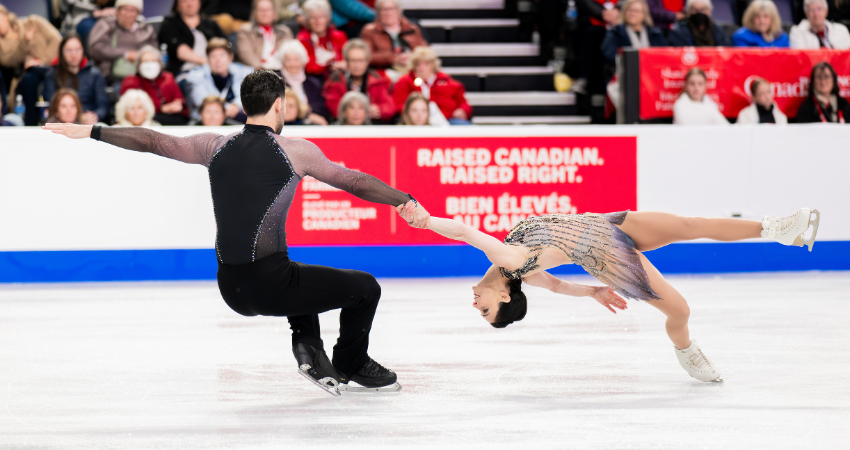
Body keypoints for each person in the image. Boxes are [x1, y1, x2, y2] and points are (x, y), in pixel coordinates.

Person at [44, 70, 423, 396]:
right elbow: (353, 181)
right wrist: (403, 200)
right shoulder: (295, 151)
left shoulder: (214, 146)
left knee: (299, 276)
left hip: (231, 288)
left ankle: (309, 347)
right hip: (272, 287)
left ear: (245, 106)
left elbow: (153, 141)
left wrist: (94, 130)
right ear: (280, 105)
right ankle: (351, 362)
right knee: (366, 288)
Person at [396, 202, 820, 382]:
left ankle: (776, 230)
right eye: (485, 312)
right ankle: (687, 351)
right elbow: (467, 233)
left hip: (607, 223)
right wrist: (427, 221)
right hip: (608, 257)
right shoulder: (510, 263)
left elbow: (558, 285)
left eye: (481, 310)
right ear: (504, 299)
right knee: (680, 309)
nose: (477, 305)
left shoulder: (518, 272)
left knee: (691, 225)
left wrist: (590, 295)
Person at [0, 4, 62, 126]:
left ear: (6, 15)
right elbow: (9, 60)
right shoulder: (1, 44)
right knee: (28, 80)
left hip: (52, 66)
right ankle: (31, 125)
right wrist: (25, 42)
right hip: (28, 74)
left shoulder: (33, 22)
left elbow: (57, 40)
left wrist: (43, 62)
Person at [392, 46, 472, 125]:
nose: (422, 68)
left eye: (426, 64)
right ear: (414, 65)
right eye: (418, 64)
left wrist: (462, 110)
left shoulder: (446, 81)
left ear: (433, 65)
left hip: (447, 120)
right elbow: (399, 105)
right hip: (417, 121)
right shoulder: (405, 82)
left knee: (463, 126)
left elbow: (463, 102)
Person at [323, 39, 395, 123]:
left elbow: (390, 107)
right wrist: (361, 112)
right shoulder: (335, 81)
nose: (357, 65)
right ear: (346, 61)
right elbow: (334, 109)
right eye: (353, 60)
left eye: (361, 60)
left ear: (367, 61)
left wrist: (379, 110)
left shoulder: (378, 81)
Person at [44, 34, 110, 126]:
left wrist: (93, 116)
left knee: (102, 126)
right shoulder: (52, 75)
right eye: (69, 50)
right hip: (62, 123)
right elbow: (52, 105)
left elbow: (103, 107)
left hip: (88, 123)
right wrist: (76, 118)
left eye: (77, 49)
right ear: (61, 52)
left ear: (83, 50)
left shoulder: (94, 74)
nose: (74, 54)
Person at [184, 38, 253, 122]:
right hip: (206, 120)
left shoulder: (244, 73)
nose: (218, 60)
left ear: (230, 57)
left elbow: (249, 97)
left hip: (235, 116)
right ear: (208, 59)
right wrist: (227, 109)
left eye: (222, 55)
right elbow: (201, 102)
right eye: (213, 56)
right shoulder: (196, 76)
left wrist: (236, 105)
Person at [86, 0, 158, 80]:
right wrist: (125, 54)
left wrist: (139, 56)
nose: (128, 14)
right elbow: (95, 49)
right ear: (117, 10)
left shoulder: (146, 30)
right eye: (124, 9)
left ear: (138, 13)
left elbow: (155, 53)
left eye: (132, 10)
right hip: (111, 75)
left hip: (143, 75)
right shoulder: (106, 25)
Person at [120, 45, 190, 125]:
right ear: (138, 66)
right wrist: (162, 108)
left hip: (170, 119)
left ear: (160, 65)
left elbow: (180, 101)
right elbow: (130, 107)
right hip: (143, 121)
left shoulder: (168, 78)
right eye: (145, 61)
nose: (150, 65)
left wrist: (180, 106)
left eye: (153, 61)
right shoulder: (130, 81)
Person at [359, 0, 427, 80]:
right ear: (378, 12)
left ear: (399, 11)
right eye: (384, 9)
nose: (388, 13)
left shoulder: (412, 29)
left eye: (391, 9)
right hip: (383, 73)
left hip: (411, 70)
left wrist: (411, 57)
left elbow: (425, 53)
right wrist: (393, 58)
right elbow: (366, 57)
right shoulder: (369, 31)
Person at [158, 0, 226, 75]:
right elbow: (180, 51)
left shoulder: (210, 24)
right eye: (184, 1)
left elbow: (225, 46)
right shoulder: (170, 24)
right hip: (186, 71)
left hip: (216, 70)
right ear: (177, 6)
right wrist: (207, 62)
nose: (189, 4)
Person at [601, 0, 667, 67]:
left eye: (637, 11)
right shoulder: (616, 32)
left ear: (644, 14)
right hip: (625, 72)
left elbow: (664, 54)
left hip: (651, 72)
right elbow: (608, 54)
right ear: (624, 12)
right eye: (630, 10)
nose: (633, 14)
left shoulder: (655, 33)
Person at [280, 39, 331, 124]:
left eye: (296, 60)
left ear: (303, 61)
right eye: (288, 60)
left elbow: (321, 108)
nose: (292, 64)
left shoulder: (313, 83)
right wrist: (304, 112)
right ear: (282, 61)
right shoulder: (274, 82)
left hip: (309, 124)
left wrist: (309, 113)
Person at [235, 0, 294, 71]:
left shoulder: (285, 31)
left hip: (283, 71)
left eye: (268, 10)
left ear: (274, 13)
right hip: (259, 72)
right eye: (261, 10)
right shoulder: (246, 31)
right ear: (255, 13)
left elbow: (291, 53)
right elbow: (245, 54)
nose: (265, 13)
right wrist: (261, 71)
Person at [297, 0, 348, 76]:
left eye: (321, 17)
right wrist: (329, 65)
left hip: (340, 77)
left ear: (327, 18)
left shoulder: (339, 36)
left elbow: (348, 59)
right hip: (316, 80)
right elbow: (309, 68)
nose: (318, 22)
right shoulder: (303, 39)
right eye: (313, 18)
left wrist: (344, 64)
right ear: (307, 20)